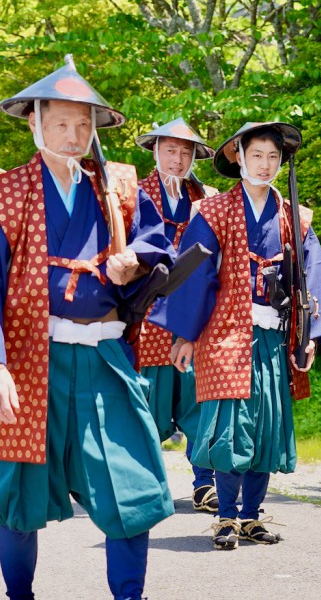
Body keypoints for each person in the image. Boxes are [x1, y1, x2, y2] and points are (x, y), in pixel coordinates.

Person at [0, 56, 175, 600]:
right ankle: (19, 595)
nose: (73, 136)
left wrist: (136, 260)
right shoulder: (3, 195)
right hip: (28, 358)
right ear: (35, 123)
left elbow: (156, 241)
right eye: (60, 123)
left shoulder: (119, 186)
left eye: (82, 124)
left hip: (105, 357)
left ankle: (129, 595)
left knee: (129, 484)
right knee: (18, 491)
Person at [149, 121, 321, 550]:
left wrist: (309, 334)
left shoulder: (295, 216)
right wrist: (184, 335)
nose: (265, 165)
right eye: (256, 155)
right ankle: (225, 517)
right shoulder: (214, 211)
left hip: (273, 336)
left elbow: (310, 277)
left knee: (265, 427)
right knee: (229, 426)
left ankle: (252, 516)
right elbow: (195, 274)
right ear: (238, 156)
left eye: (273, 157)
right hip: (224, 335)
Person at [134, 118, 220, 513]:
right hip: (148, 317)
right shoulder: (134, 195)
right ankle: (145, 485)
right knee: (146, 406)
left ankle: (205, 484)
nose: (178, 159)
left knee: (198, 403)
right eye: (170, 150)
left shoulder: (208, 199)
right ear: (155, 152)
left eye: (186, 152)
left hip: (194, 316)